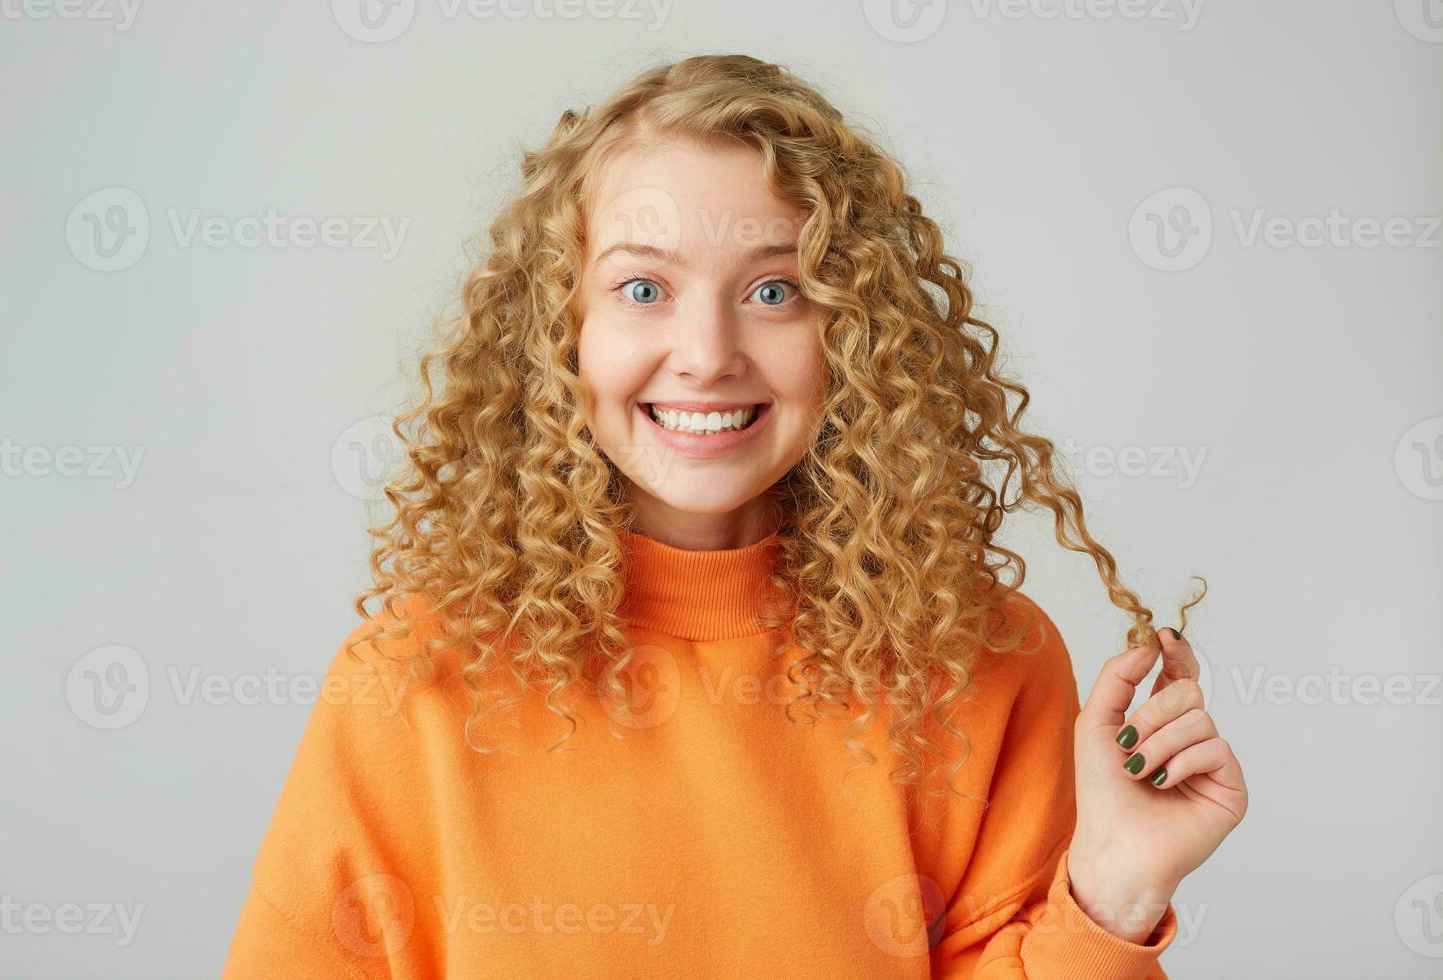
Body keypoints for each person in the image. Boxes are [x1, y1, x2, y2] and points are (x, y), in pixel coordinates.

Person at [222, 54, 1248, 979]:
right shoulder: (415, 676)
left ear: (855, 331)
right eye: (641, 287)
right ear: (559, 334)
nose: (707, 350)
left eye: (773, 289)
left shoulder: (981, 659)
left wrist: (1112, 890)